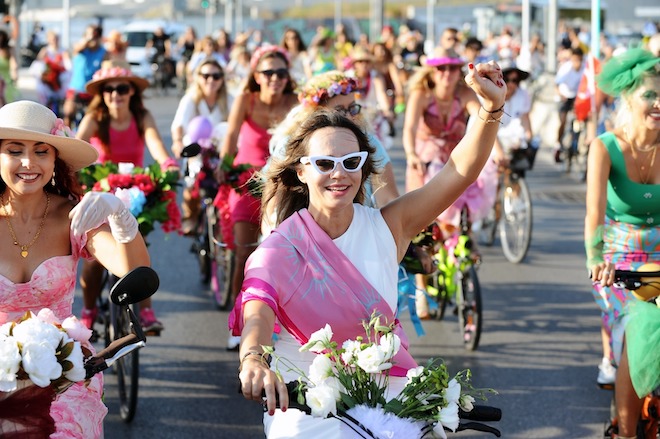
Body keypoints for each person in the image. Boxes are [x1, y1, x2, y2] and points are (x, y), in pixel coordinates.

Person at [231, 61, 506, 437]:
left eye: (351, 162)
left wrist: (490, 110)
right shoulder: (279, 248)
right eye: (325, 163)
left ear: (363, 168)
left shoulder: (389, 226)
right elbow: (257, 316)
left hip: (391, 396)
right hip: (307, 403)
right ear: (302, 171)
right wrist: (253, 359)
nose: (339, 173)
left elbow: (458, 171)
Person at [0, 100, 150, 437]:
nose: (28, 163)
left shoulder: (76, 217)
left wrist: (120, 217)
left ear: (55, 160)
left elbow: (134, 269)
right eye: (14, 150)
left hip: (63, 373)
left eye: (41, 151)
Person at [584, 48, 659, 439]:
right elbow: (594, 216)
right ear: (629, 98)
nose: (658, 103)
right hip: (618, 256)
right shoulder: (605, 147)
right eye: (650, 94)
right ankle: (628, 433)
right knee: (640, 331)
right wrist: (596, 258)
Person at [76, 60, 179, 334]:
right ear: (102, 94)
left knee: (137, 248)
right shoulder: (94, 119)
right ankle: (88, 312)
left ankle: (146, 311)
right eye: (109, 90)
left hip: (134, 193)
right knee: (95, 257)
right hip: (99, 192)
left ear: (131, 91)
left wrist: (168, 164)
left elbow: (156, 145)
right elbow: (77, 148)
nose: (116, 95)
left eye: (122, 88)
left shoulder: (142, 116)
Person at [402, 46, 499, 317]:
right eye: (441, 68)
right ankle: (421, 290)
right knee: (422, 230)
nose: (447, 74)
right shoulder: (421, 95)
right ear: (432, 72)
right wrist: (410, 154)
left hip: (455, 161)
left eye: (453, 68)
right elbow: (409, 130)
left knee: (470, 200)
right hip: (425, 162)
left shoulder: (465, 95)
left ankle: (463, 261)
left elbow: (487, 119)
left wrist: (498, 153)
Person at [219, 45, 298, 328]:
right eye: (268, 72)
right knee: (244, 250)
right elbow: (230, 135)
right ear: (256, 75)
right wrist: (224, 166)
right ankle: (238, 314)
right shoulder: (246, 100)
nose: (274, 78)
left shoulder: (296, 102)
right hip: (246, 181)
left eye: (280, 72)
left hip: (283, 184)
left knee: (287, 252)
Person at [171, 57, 232, 235]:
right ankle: (190, 215)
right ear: (198, 77)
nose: (211, 80)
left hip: (222, 152)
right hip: (196, 152)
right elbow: (179, 125)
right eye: (205, 76)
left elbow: (237, 127)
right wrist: (177, 143)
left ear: (222, 79)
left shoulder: (230, 99)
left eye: (216, 76)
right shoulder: (191, 99)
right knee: (192, 184)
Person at [62, 24, 107, 128]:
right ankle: (65, 138)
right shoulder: (80, 48)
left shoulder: (103, 52)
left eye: (96, 34)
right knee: (68, 113)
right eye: (90, 34)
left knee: (96, 117)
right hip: (76, 89)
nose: (93, 37)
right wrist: (88, 38)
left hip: (92, 90)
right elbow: (77, 49)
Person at [554, 47, 585, 163]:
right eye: (575, 60)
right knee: (563, 121)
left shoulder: (584, 68)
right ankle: (558, 144)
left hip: (577, 97)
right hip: (564, 96)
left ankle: (576, 142)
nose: (577, 63)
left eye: (579, 60)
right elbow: (556, 84)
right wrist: (561, 95)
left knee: (580, 120)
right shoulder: (565, 68)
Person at [35, 30, 71, 112]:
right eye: (53, 38)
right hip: (47, 80)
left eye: (56, 38)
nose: (55, 40)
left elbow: (68, 65)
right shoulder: (45, 51)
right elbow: (38, 64)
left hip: (60, 80)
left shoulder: (63, 51)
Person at [0, 29, 19, 104]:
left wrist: (14, 74)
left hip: (6, 79)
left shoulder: (9, 49)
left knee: (6, 102)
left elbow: (13, 63)